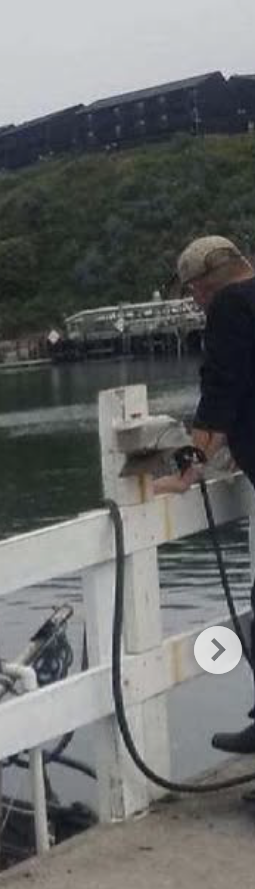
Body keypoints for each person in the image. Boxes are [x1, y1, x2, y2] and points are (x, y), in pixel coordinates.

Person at [176, 235, 255, 754]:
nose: (196, 303)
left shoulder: (232, 304)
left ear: (207, 281)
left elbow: (222, 388)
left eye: (194, 293)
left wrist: (190, 464)